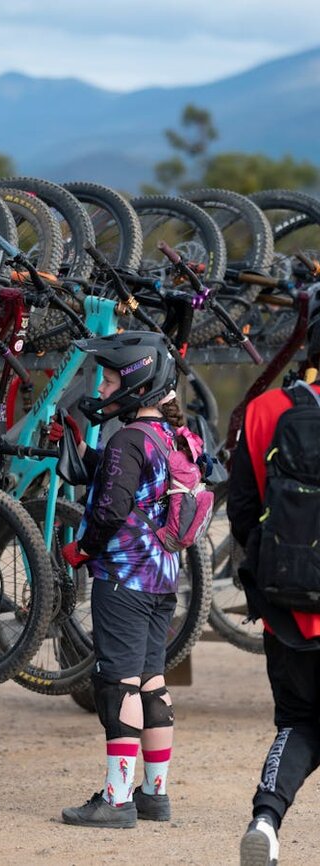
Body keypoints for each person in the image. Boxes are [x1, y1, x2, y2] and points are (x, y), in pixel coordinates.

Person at [52, 331, 194, 829]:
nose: (104, 388)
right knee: (151, 682)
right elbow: (131, 486)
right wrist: (78, 449)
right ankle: (154, 795)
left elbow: (111, 507)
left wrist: (81, 549)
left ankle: (115, 800)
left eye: (110, 379)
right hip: (161, 582)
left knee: (119, 686)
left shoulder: (127, 439)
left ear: (135, 384)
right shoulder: (173, 436)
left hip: (123, 580)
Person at [227, 296, 320, 866]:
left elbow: (240, 513)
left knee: (301, 719)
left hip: (286, 607)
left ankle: (266, 817)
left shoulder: (264, 409)